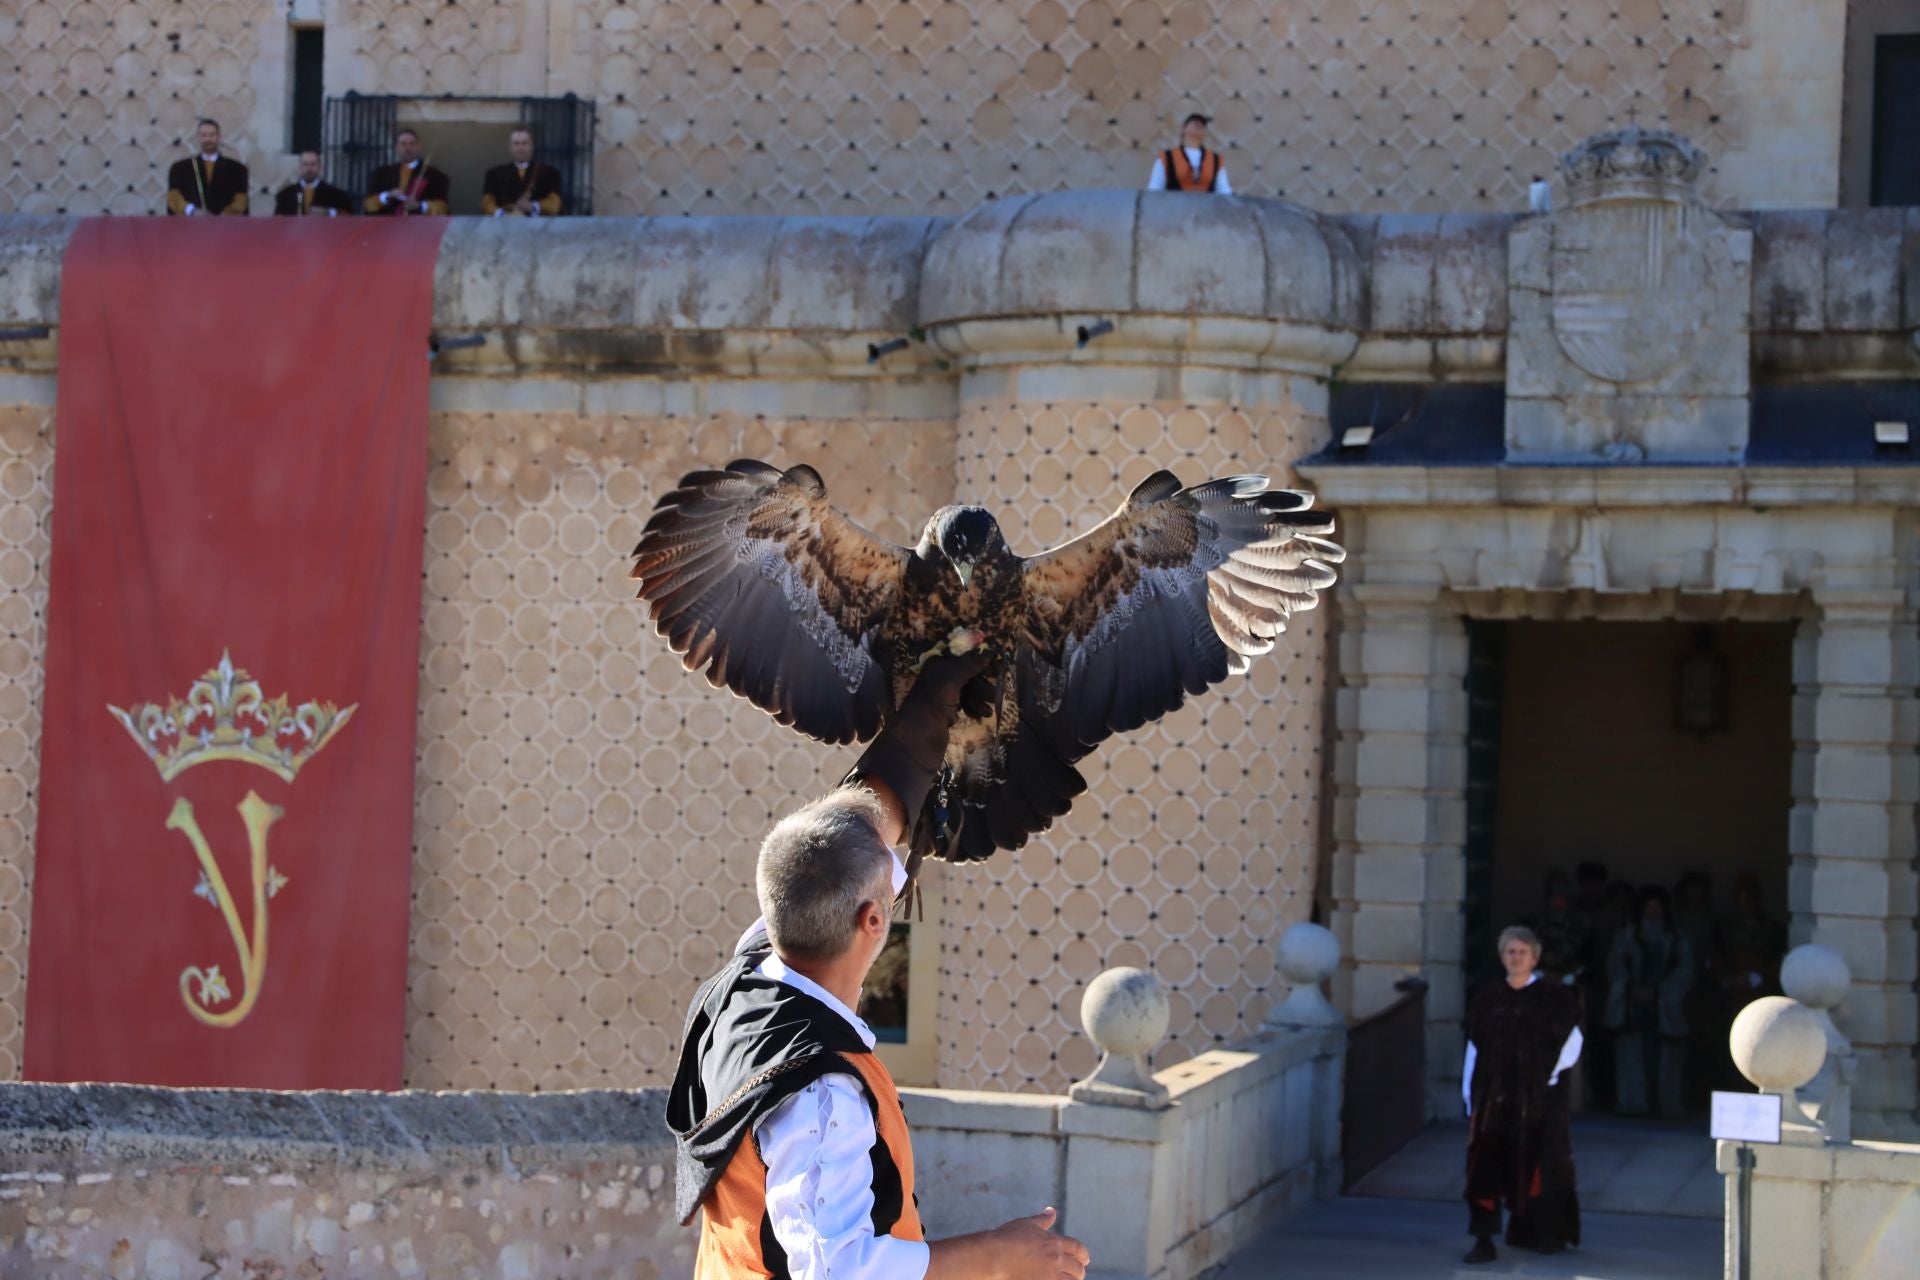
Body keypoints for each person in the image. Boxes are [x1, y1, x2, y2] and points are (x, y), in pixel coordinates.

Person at [669, 654, 1091, 1280]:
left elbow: (860, 828)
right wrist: (1000, 1255)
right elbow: (839, 1271)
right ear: (873, 920)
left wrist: (934, 701)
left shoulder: (739, 985)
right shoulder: (821, 1092)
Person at [1462, 925, 1582, 1265]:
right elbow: (1474, 1047)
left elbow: (1572, 1042)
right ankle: (1483, 1239)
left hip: (1539, 1099)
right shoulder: (1487, 999)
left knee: (1541, 1165)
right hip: (1494, 1098)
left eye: (1522, 952)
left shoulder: (1554, 998)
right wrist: (1470, 1096)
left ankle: (1544, 1232)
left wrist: (1547, 1076)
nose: (1515, 958)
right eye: (1510, 952)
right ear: (1502, 957)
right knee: (1484, 1167)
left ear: (1534, 958)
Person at [1605, 886, 1692, 1119]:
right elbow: (1614, 967)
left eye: (1657, 907)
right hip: (1631, 1008)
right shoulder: (1625, 937)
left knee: (1667, 1059)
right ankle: (1633, 1104)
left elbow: (1685, 972)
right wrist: (1631, 988)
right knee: (1631, 1055)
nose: (1653, 912)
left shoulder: (1677, 940)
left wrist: (1660, 992)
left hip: (1666, 1009)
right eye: (1649, 907)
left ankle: (1668, 1105)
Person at [166, 118, 249, 216]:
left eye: (212, 135)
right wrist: (192, 211)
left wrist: (222, 216)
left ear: (219, 136)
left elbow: (241, 200)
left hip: (225, 224)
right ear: (198, 137)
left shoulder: (237, 169)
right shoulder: (180, 168)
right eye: (204, 135)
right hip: (190, 223)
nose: (208, 139)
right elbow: (173, 197)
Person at [364, 129, 450, 216]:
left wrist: (420, 206)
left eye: (412, 144)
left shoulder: (435, 176)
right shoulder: (381, 174)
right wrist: (388, 196)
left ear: (419, 147)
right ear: (397, 147)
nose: (408, 148)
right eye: (403, 144)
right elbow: (368, 205)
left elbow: (443, 209)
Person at [481, 128, 564, 217]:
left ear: (532, 146)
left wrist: (534, 206)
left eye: (524, 143)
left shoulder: (549, 173)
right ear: (510, 147)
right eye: (516, 143)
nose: (520, 148)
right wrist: (503, 215)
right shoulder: (494, 174)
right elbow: (487, 204)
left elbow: (555, 204)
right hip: (504, 224)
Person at [1146, 113, 1233, 194]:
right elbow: (1155, 189)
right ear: (1183, 129)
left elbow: (1224, 190)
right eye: (1194, 121)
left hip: (1206, 205)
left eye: (1202, 125)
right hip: (1175, 205)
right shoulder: (1166, 157)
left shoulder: (1215, 160)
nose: (1198, 124)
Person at [273, 151, 354, 217]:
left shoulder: (334, 194)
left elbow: (349, 216)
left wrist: (328, 212)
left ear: (320, 167)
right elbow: (278, 221)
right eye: (305, 164)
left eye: (313, 164)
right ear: (300, 167)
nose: (309, 168)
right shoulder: (286, 195)